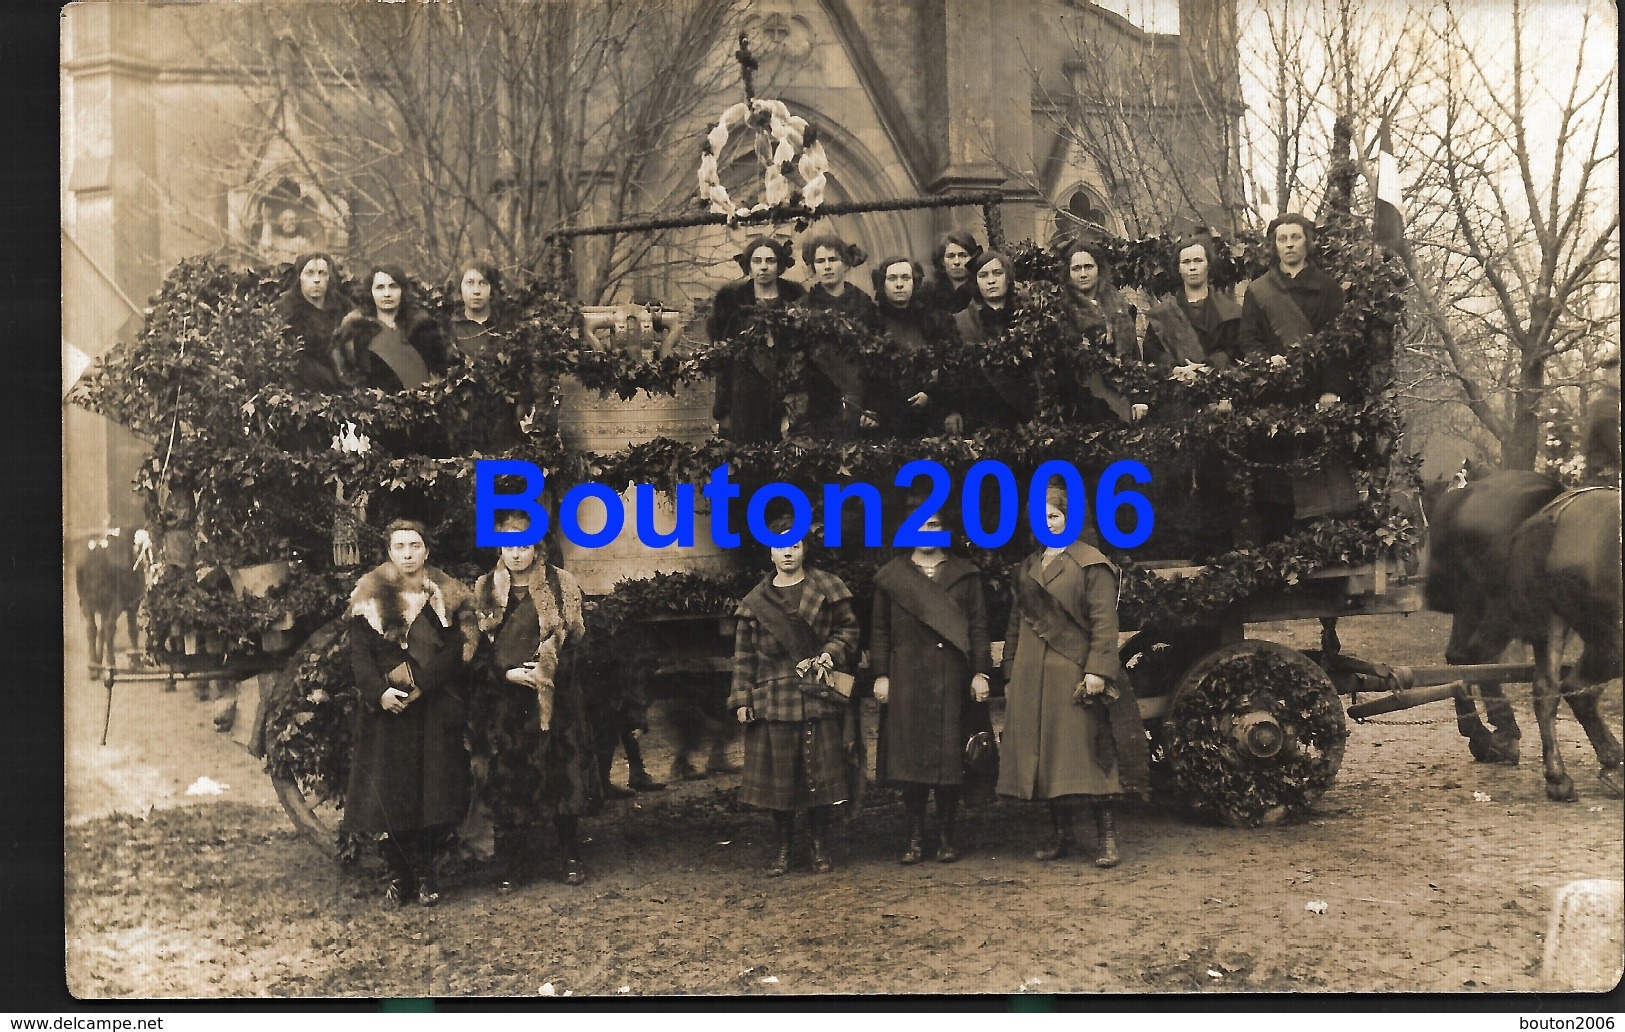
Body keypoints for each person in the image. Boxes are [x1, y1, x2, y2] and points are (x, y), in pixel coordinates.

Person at [998, 486, 1148, 868]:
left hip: (1075, 678)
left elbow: (1104, 623)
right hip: (1032, 679)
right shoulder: (1027, 568)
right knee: (1045, 759)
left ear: (1069, 518)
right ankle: (1059, 835)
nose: (1047, 524)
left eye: (1053, 516)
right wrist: (1010, 672)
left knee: (1089, 758)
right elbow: (1016, 626)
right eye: (1039, 518)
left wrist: (1098, 669)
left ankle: (1107, 838)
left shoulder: (1090, 563)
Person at [343, 520, 475, 906]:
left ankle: (426, 874)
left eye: (414, 545)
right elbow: (360, 653)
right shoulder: (369, 593)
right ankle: (399, 876)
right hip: (388, 714)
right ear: (389, 551)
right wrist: (379, 692)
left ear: (426, 551)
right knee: (393, 796)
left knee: (433, 795)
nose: (407, 553)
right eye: (399, 546)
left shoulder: (445, 592)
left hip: (431, 708)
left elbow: (456, 648)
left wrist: (426, 682)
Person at [468, 512, 601, 889]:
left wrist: (547, 670)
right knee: (510, 778)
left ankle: (570, 854)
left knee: (561, 773)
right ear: (499, 547)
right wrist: (506, 674)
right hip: (507, 703)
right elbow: (474, 654)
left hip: (556, 700)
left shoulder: (562, 586)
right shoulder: (484, 590)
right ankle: (514, 864)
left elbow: (577, 645)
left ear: (538, 546)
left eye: (524, 545)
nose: (516, 554)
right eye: (509, 546)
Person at [729, 518, 861, 876]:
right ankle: (784, 850)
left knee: (819, 776)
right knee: (781, 780)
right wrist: (742, 700)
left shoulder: (828, 587)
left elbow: (849, 628)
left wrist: (831, 652)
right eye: (780, 545)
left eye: (795, 545)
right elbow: (744, 656)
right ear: (770, 551)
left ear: (805, 550)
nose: (788, 552)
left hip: (818, 692)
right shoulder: (755, 602)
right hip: (775, 699)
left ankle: (819, 847)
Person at [870, 506, 992, 864]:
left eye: (934, 524)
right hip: (907, 679)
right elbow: (879, 631)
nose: (926, 531)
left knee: (948, 762)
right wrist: (880, 674)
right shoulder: (890, 577)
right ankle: (914, 838)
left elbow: (979, 629)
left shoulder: (964, 575)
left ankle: (946, 837)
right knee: (912, 764)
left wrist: (980, 673)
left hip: (950, 679)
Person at [1235, 214, 1358, 540]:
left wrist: (1331, 391)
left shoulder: (1329, 289)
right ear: (1273, 246)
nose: (1289, 244)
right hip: (1273, 397)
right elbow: (1248, 341)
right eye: (1282, 239)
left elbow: (1337, 345)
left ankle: (1317, 550)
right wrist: (1264, 363)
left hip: (1314, 396)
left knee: (1317, 473)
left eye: (1295, 238)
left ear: (1308, 242)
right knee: (1274, 480)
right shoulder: (1258, 291)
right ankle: (1276, 551)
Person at [709, 236, 807, 444]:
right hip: (744, 399)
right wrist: (724, 411)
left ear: (780, 265)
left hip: (786, 400)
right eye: (757, 261)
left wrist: (794, 406)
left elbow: (804, 356)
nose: (763, 267)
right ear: (748, 266)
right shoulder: (732, 304)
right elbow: (722, 363)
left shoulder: (797, 302)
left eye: (770, 261)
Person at [447, 260, 538, 453]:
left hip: (504, 423)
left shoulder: (508, 328)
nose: (476, 290)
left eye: (483, 283)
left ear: (492, 288)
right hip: (464, 424)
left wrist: (523, 404)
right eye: (469, 283)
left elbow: (526, 372)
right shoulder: (448, 330)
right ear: (460, 288)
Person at [795, 233, 878, 439]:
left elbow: (876, 359)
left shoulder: (863, 304)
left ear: (846, 264)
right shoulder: (804, 307)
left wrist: (873, 406)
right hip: (819, 403)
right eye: (820, 261)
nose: (827, 266)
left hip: (859, 401)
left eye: (833, 260)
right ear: (814, 268)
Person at [944, 250, 1032, 433]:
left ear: (1008, 279)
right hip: (979, 420)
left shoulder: (1028, 318)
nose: (991, 280)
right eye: (983, 275)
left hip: (1023, 420)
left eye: (997, 273)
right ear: (975, 282)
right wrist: (952, 409)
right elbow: (951, 373)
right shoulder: (960, 322)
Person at [868, 257, 951, 440]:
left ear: (915, 282)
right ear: (882, 284)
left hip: (925, 419)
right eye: (892, 278)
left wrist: (930, 395)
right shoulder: (871, 322)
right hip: (884, 421)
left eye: (906, 278)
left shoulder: (931, 322)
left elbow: (945, 364)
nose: (899, 284)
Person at [335, 264, 451, 393]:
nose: (387, 294)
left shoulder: (423, 326)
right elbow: (347, 374)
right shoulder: (356, 329)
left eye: (393, 286)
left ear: (403, 290)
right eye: (380, 288)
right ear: (370, 292)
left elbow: (438, 371)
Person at [1142, 234, 1242, 370]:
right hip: (1176, 386)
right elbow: (1153, 354)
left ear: (1209, 265)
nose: (1192, 267)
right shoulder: (1163, 314)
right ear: (1178, 268)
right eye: (1186, 262)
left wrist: (1211, 366)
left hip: (1222, 385)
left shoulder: (1231, 312)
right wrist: (1174, 368)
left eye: (1198, 260)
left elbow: (1238, 352)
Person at [275, 251, 345, 393]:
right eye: (310, 273)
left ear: (329, 278)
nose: (316, 279)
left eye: (322, 273)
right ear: (299, 277)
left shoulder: (343, 309)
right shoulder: (285, 311)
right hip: (302, 389)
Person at [918, 231, 982, 315]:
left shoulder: (980, 292)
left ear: (973, 259)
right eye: (951, 256)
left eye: (963, 255)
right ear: (942, 261)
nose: (956, 262)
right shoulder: (930, 295)